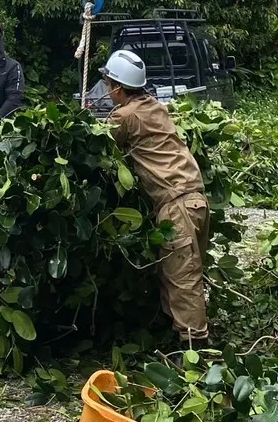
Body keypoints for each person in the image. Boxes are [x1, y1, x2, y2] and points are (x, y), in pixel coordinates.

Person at [99, 48, 210, 347]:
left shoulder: (125, 116)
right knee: (178, 272)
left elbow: (99, 143)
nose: (107, 90)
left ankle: (194, 350)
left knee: (182, 278)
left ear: (118, 88)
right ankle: (177, 336)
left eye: (109, 84)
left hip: (176, 205)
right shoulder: (156, 107)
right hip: (195, 200)